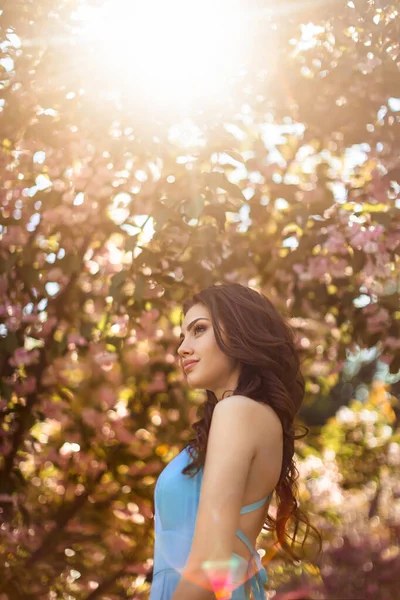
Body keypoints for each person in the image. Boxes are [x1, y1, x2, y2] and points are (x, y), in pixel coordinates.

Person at [150, 282, 321, 600]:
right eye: (183, 336)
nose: (182, 348)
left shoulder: (238, 411)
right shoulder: (247, 416)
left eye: (199, 329)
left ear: (240, 330)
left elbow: (207, 565)